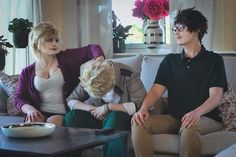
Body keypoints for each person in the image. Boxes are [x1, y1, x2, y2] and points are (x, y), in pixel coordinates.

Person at [131, 7, 228, 157]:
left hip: (205, 118)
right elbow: (156, 91)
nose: (175, 32)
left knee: (190, 125)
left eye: (181, 27)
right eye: (174, 28)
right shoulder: (170, 61)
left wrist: (196, 113)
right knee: (138, 123)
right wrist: (143, 109)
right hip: (174, 118)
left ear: (196, 29)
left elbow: (215, 97)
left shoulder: (214, 60)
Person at [14, 22, 104, 126]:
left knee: (52, 122)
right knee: (31, 123)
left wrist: (99, 59)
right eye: (49, 40)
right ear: (37, 43)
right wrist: (30, 109)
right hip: (40, 112)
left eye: (56, 40)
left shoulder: (66, 57)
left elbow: (92, 48)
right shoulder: (27, 71)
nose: (55, 44)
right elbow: (18, 97)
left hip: (63, 113)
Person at [65, 59, 146, 157]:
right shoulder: (90, 77)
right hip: (97, 117)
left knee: (115, 118)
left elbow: (140, 105)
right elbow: (71, 100)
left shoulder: (128, 74)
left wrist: (108, 107)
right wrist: (90, 109)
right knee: (71, 116)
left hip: (119, 118)